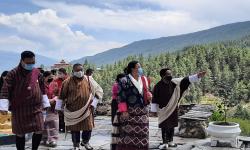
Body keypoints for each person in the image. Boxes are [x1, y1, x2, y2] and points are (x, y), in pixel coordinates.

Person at [0, 51, 50, 150]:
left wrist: (45, 103)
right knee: (20, 133)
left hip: (36, 108)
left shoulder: (37, 72)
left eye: (33, 62)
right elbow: (5, 90)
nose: (31, 65)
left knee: (39, 129)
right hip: (19, 109)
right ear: (22, 61)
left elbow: (42, 88)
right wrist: (4, 107)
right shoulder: (12, 74)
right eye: (28, 63)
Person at [151, 68, 206, 149]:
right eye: (168, 74)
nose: (170, 76)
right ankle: (164, 142)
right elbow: (154, 99)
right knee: (164, 126)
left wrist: (197, 76)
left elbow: (186, 80)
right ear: (162, 76)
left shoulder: (174, 82)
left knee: (172, 125)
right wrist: (154, 111)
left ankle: (170, 141)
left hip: (173, 108)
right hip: (163, 110)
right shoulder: (158, 86)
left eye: (170, 74)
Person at [55, 63, 103, 150]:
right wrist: (58, 108)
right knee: (75, 129)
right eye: (77, 71)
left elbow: (98, 91)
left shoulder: (89, 79)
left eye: (81, 70)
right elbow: (61, 96)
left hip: (87, 109)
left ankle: (85, 142)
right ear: (73, 71)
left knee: (88, 127)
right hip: (72, 111)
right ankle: (76, 146)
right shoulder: (67, 82)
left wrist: (93, 104)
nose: (79, 72)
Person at [116, 61, 152, 150]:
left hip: (143, 112)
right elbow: (121, 96)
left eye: (140, 66)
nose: (140, 68)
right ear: (132, 68)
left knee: (143, 133)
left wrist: (149, 95)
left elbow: (146, 91)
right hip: (130, 112)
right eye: (138, 67)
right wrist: (124, 111)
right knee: (128, 134)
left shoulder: (144, 79)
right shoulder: (124, 80)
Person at [42, 71, 59, 147]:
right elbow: (39, 96)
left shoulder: (54, 84)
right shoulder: (40, 85)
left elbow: (58, 93)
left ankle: (53, 140)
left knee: (54, 123)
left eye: (51, 77)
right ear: (44, 78)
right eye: (49, 78)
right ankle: (44, 139)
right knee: (44, 124)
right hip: (43, 107)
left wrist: (56, 98)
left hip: (53, 107)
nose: (50, 79)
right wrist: (49, 100)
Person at [111, 73, 125, 150]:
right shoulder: (116, 85)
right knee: (115, 116)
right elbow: (118, 93)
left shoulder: (121, 84)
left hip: (120, 102)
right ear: (119, 78)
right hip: (116, 102)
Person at [52, 68, 68, 132]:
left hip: (66, 99)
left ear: (64, 74)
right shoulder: (56, 80)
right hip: (58, 99)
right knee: (59, 114)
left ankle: (65, 127)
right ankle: (59, 127)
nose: (59, 75)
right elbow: (54, 90)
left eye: (60, 73)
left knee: (66, 114)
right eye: (58, 73)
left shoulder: (69, 80)